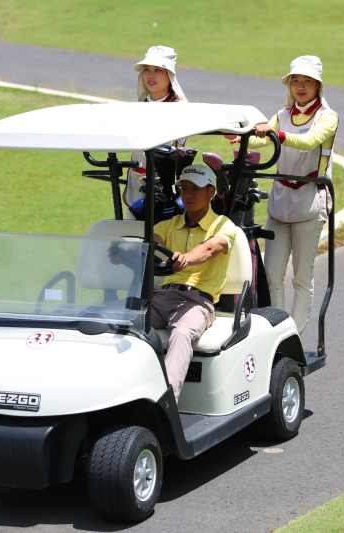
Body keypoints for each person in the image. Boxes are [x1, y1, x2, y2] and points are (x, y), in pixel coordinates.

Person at [226, 55, 338, 335]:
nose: (300, 86)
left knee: (302, 276)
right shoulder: (282, 115)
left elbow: (309, 141)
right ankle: (278, 333)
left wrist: (278, 134)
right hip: (281, 203)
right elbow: (260, 139)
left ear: (318, 86)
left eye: (307, 81)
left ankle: (295, 336)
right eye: (295, 81)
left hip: (310, 203)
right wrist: (239, 136)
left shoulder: (328, 117)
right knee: (273, 274)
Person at [152, 164, 236, 402]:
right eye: (184, 188)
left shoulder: (223, 225)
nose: (188, 194)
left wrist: (186, 258)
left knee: (182, 332)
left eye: (196, 190)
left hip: (197, 302)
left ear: (211, 192)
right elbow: (151, 242)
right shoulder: (169, 224)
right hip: (162, 297)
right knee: (127, 323)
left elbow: (210, 249)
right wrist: (122, 254)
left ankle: (165, 405)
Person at [123, 45, 188, 217]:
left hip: (168, 189)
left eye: (158, 70)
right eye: (146, 70)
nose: (150, 75)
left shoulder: (181, 108)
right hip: (135, 185)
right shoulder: (134, 107)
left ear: (170, 74)